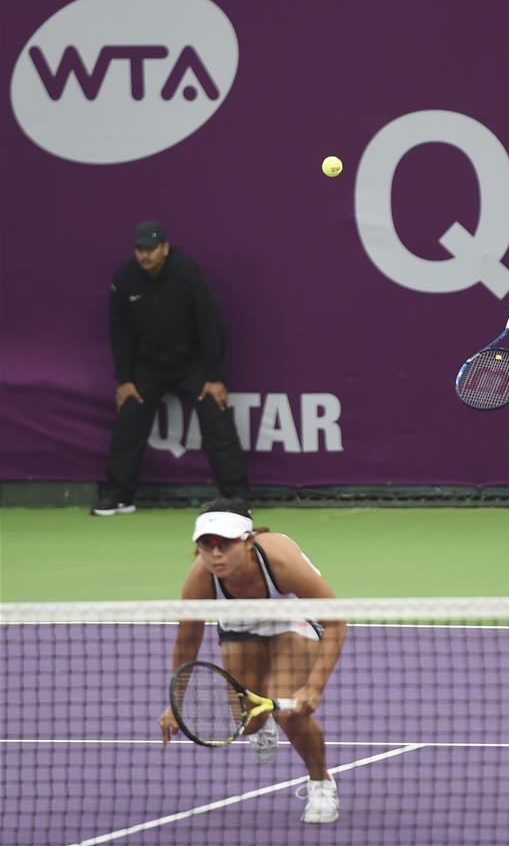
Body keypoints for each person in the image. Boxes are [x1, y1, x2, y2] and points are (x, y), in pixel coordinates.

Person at [159, 498, 346, 824]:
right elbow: (187, 640)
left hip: (290, 620)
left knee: (290, 710)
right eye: (206, 545)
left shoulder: (280, 562)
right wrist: (175, 703)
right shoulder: (200, 581)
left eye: (225, 544)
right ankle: (264, 719)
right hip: (240, 627)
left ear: (247, 541)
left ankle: (320, 782)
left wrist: (314, 688)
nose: (215, 554)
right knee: (251, 721)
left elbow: (337, 621)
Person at [92, 220, 248, 515]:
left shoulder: (188, 274)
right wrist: (125, 379)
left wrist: (214, 377)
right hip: (147, 366)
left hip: (192, 365)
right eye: (140, 249)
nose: (145, 255)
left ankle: (236, 498)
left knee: (217, 419)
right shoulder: (125, 278)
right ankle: (119, 495)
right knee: (129, 419)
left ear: (165, 248)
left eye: (151, 249)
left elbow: (209, 326)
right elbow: (120, 332)